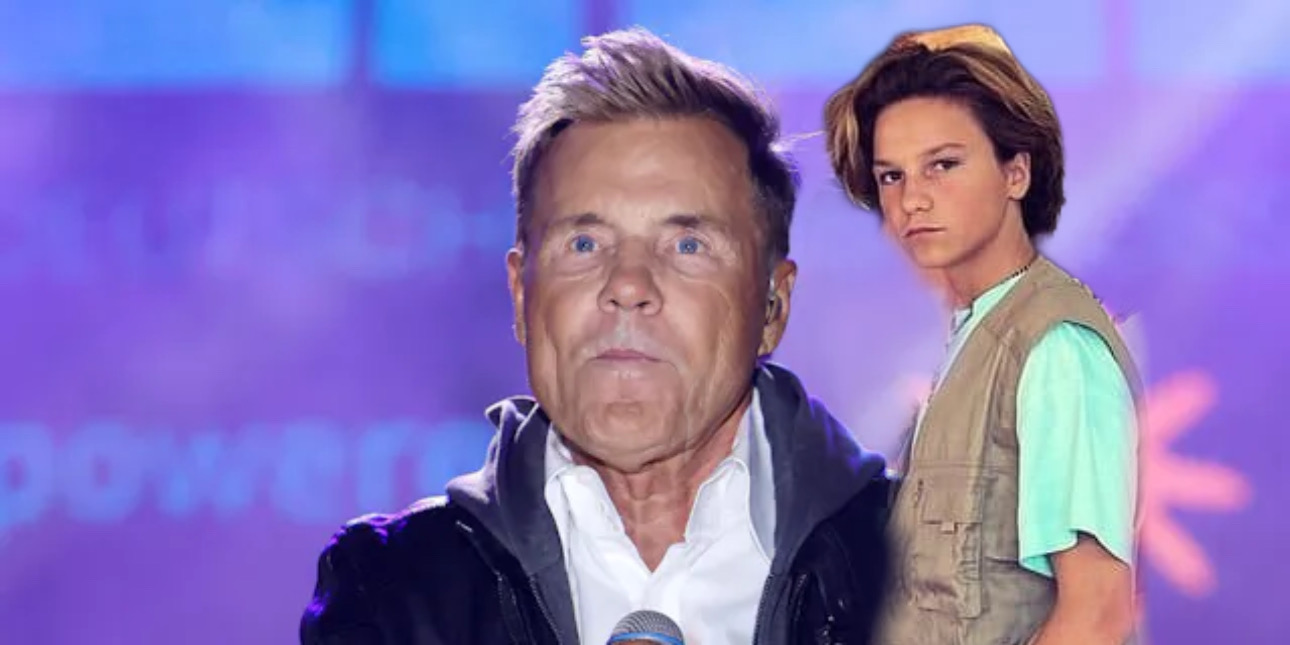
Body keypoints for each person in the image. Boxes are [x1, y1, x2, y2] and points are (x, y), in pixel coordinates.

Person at [301, 27, 892, 645]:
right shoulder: (391, 592)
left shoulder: (922, 563)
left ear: (773, 305)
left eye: (687, 245)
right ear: (522, 295)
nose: (628, 284)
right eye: (584, 244)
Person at [823, 24, 1142, 645]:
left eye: (943, 165)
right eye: (891, 176)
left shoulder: (1054, 348)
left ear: (1015, 172)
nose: (913, 199)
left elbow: (1097, 615)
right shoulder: (977, 335)